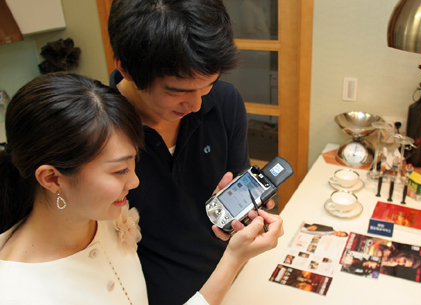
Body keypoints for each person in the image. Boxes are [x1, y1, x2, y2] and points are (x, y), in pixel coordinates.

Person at [0, 73, 284, 304]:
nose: (135, 182)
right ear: (51, 178)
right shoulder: (18, 291)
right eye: (120, 170)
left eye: (134, 163)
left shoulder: (104, 220)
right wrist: (234, 259)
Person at [107, 1, 276, 304]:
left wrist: (249, 218)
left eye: (208, 85)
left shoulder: (225, 102)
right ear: (126, 68)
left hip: (230, 276)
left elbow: (238, 183)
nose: (197, 105)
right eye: (177, 91)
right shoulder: (99, 131)